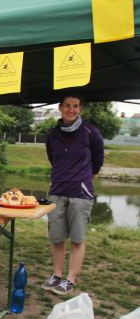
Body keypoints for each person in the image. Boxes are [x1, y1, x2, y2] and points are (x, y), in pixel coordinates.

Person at [42, 94, 104, 296]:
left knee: (77, 239)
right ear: (60, 108)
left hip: (80, 192)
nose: (71, 109)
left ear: (80, 109)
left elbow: (98, 160)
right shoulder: (52, 135)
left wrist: (84, 178)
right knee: (56, 237)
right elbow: (53, 159)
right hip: (57, 191)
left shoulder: (90, 132)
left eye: (76, 106)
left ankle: (70, 279)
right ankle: (57, 275)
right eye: (67, 105)